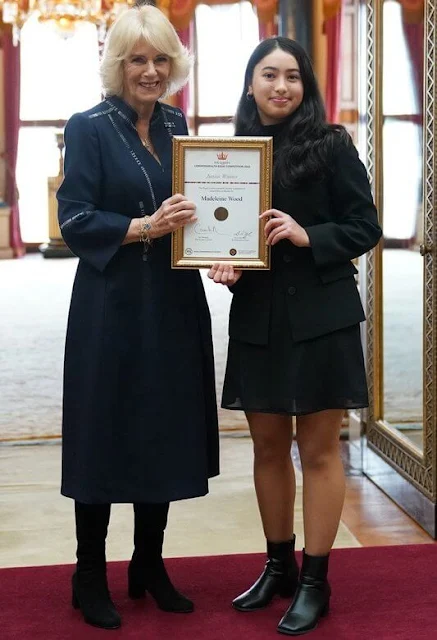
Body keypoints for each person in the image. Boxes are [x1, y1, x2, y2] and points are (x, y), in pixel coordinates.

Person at [208, 37, 381, 636]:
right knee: (265, 448)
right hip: (258, 316)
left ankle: (315, 580)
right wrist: (226, 268)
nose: (281, 87)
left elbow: (366, 225)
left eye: (293, 77)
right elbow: (232, 242)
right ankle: (277, 565)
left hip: (322, 318)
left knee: (319, 450)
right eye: (268, 76)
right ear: (250, 84)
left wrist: (310, 236)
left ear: (306, 86)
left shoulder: (332, 145)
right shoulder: (231, 156)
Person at [57, 5, 219, 630]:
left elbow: (202, 213)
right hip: (110, 304)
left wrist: (224, 255)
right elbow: (75, 219)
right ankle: (88, 573)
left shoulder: (180, 123)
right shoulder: (89, 126)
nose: (150, 71)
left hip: (175, 302)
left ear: (173, 65)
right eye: (137, 60)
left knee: (164, 425)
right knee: (105, 427)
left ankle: (148, 564)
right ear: (116, 65)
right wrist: (146, 227)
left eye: (160, 59)